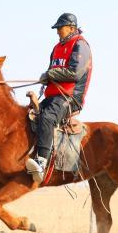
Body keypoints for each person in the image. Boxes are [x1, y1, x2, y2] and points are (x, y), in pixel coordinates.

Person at [26, 13, 93, 183]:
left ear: (71, 28)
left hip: (70, 97)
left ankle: (41, 162)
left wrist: (50, 73)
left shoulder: (80, 45)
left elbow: (75, 73)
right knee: (28, 116)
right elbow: (53, 71)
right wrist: (46, 77)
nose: (57, 32)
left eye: (60, 28)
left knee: (47, 117)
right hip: (52, 95)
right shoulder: (56, 47)